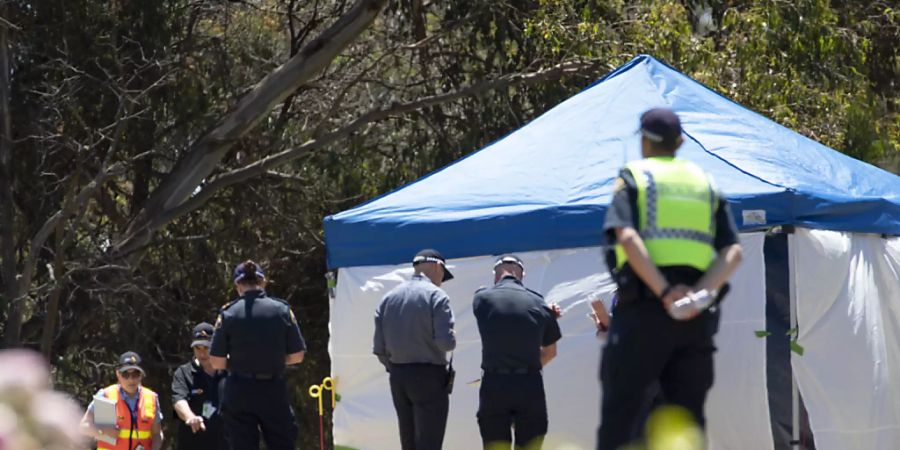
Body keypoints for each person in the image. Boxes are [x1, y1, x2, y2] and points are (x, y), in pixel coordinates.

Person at [596, 107, 743, 450]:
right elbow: (732, 252)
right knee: (686, 424)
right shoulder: (705, 183)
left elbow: (627, 238)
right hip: (694, 321)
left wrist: (664, 292)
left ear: (644, 141)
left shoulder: (634, 177)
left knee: (623, 420)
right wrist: (697, 297)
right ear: (679, 142)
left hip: (643, 314)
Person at [210, 260, 307, 450]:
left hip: (240, 390)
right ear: (263, 282)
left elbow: (216, 362)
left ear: (238, 285)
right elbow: (297, 355)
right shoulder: (282, 310)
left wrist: (237, 363)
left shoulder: (228, 313)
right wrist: (275, 359)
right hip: (272, 389)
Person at [473, 255, 562, 450]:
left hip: (494, 384)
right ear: (522, 275)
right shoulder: (539, 303)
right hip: (529, 384)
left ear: (495, 276)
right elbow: (550, 352)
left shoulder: (481, 298)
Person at [373, 248, 457, 450]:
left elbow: (379, 348)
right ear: (438, 267)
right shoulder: (437, 296)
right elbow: (446, 343)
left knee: (408, 443)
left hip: (399, 377)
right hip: (429, 376)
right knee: (429, 443)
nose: (441, 280)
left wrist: (395, 367)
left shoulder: (388, 298)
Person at [79, 351, 164, 450]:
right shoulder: (106, 396)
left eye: (135, 374)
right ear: (118, 374)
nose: (131, 380)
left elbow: (157, 434)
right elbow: (83, 427)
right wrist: (103, 431)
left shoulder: (151, 398)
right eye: (125, 375)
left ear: (141, 375)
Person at [171, 322, 227, 450]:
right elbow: (179, 400)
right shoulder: (183, 373)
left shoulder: (228, 371)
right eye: (198, 348)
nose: (202, 353)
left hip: (225, 442)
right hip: (193, 442)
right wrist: (190, 417)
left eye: (206, 348)